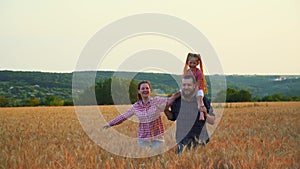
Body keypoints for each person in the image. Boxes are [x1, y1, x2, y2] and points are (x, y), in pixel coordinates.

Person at [103, 80, 180, 149]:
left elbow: (171, 99)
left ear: (150, 90)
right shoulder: (136, 106)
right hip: (143, 139)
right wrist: (109, 124)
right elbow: (123, 116)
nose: (145, 90)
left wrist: (184, 91)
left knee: (157, 161)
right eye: (143, 89)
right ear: (139, 91)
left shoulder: (157, 101)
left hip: (157, 138)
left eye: (147, 88)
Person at [164, 74, 215, 154]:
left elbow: (212, 121)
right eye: (184, 85)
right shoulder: (177, 101)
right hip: (182, 141)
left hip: (200, 141)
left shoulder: (202, 100)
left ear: (194, 86)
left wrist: (205, 113)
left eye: (189, 85)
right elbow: (172, 117)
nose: (186, 87)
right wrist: (165, 110)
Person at [183, 52, 208, 121]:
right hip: (188, 88)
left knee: (199, 99)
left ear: (197, 63)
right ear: (188, 62)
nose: (192, 65)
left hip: (198, 89)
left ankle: (201, 113)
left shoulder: (199, 72)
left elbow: (198, 85)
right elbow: (185, 82)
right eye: (191, 63)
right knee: (178, 94)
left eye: (194, 63)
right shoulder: (187, 72)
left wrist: (192, 94)